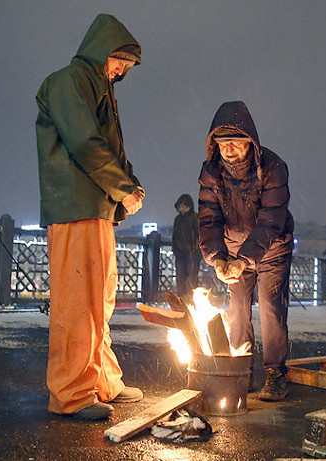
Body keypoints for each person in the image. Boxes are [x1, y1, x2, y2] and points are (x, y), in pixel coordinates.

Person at [35, 13, 145, 420]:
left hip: (95, 206)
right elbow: (85, 141)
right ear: (104, 51)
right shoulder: (69, 81)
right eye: (120, 62)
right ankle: (72, 393)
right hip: (75, 205)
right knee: (77, 303)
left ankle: (100, 381)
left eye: (126, 68)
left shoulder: (97, 86)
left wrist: (128, 185)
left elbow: (107, 146)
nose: (121, 72)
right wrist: (122, 187)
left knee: (100, 300)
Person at [198, 101, 295, 401]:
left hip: (273, 248)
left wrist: (244, 259)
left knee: (270, 308)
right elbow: (208, 217)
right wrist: (218, 259)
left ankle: (275, 374)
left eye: (236, 143)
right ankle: (241, 370)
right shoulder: (211, 172)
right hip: (233, 250)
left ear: (250, 142)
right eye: (222, 143)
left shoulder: (272, 168)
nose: (228, 150)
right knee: (237, 310)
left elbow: (271, 220)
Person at [172, 194, 201, 299]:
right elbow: (175, 235)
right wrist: (175, 249)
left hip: (192, 254)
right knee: (180, 279)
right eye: (180, 206)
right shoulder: (178, 219)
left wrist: (194, 249)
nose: (181, 209)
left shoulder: (195, 218)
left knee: (191, 279)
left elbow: (199, 235)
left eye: (183, 206)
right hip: (180, 254)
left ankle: (192, 301)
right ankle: (182, 301)